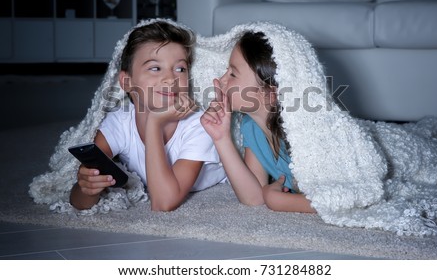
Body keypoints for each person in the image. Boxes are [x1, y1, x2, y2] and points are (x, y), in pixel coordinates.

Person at [70, 21, 226, 211]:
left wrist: (154, 123)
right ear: (127, 81)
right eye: (155, 68)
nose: (170, 78)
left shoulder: (200, 124)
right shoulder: (119, 121)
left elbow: (164, 202)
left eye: (180, 69)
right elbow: (79, 201)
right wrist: (87, 188)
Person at [200, 31, 316, 213]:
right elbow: (253, 198)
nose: (221, 80)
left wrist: (277, 200)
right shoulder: (251, 127)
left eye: (233, 74)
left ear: (271, 92)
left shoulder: (306, 135)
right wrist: (221, 138)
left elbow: (340, 201)